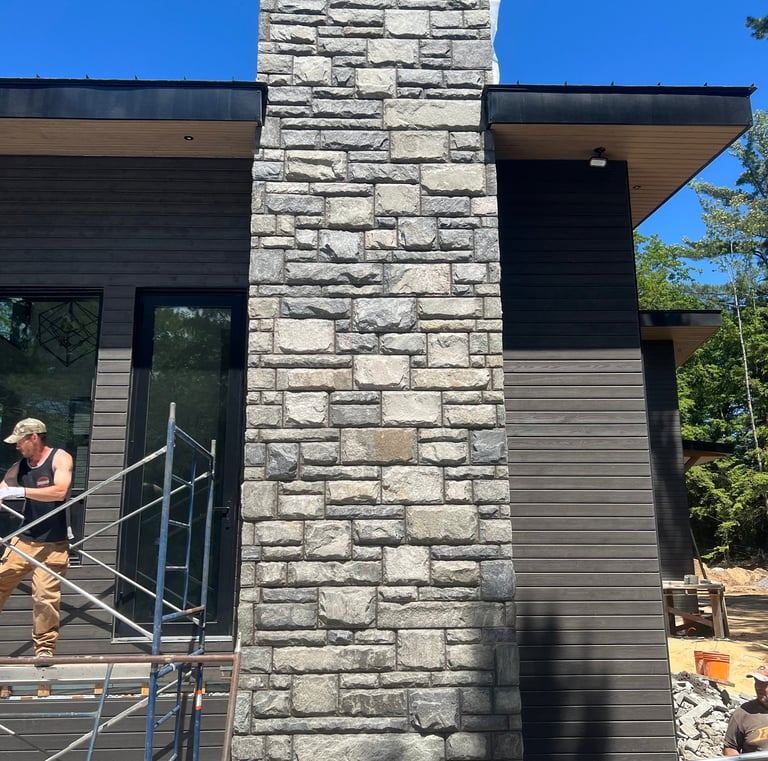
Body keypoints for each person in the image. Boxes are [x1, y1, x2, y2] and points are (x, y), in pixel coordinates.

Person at [0, 418, 73, 657]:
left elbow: (60, 492)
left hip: (53, 544)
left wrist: (20, 491)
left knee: (45, 597)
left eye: (20, 442)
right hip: (24, 540)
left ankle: (44, 650)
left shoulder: (59, 458)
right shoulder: (20, 466)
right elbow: (3, 488)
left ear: (34, 437)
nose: (17, 447)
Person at [723, 663, 768, 755]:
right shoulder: (743, 713)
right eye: (756, 682)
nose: (758, 687)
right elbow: (730, 747)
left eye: (764, 683)